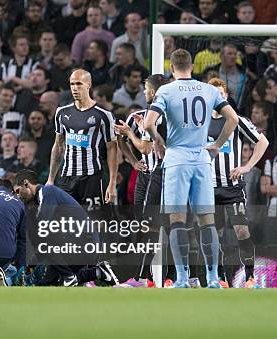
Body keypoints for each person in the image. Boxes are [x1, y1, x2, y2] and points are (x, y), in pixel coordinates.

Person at [143, 49, 240, 288]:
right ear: (192, 66)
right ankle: (213, 278)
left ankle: (183, 278)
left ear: (172, 69)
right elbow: (233, 119)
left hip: (177, 158)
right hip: (201, 159)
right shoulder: (208, 90)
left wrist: (157, 140)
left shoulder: (166, 90)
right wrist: (217, 145)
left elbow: (148, 123)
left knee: (177, 220)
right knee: (207, 221)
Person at [207, 78, 269, 288]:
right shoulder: (200, 121)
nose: (219, 97)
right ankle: (220, 278)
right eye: (214, 94)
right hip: (207, 186)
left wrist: (247, 166)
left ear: (226, 96)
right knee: (215, 234)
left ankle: (250, 277)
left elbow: (263, 141)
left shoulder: (237, 120)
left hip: (232, 186)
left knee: (242, 230)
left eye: (222, 94)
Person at [12, 169, 119, 286]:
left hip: (83, 244)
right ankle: (98, 272)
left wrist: (33, 261)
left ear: (26, 183)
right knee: (47, 279)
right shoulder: (41, 200)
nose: (17, 196)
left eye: (18, 191)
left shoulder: (47, 192)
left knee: (41, 234)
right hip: (80, 246)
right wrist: (31, 264)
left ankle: (69, 277)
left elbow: (44, 232)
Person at [114, 73, 169, 285]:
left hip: (161, 175)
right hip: (145, 176)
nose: (143, 91)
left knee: (154, 227)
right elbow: (119, 139)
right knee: (143, 227)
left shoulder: (159, 116)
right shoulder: (138, 115)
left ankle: (145, 277)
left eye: (146, 88)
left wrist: (130, 133)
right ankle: (147, 277)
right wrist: (132, 161)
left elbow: (144, 147)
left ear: (154, 92)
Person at [47, 69, 118, 212]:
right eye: (72, 84)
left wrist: (112, 182)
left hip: (91, 177)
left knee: (95, 222)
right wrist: (50, 178)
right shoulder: (62, 112)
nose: (74, 88)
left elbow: (112, 148)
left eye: (79, 84)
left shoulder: (103, 115)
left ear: (88, 85)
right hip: (67, 177)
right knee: (68, 224)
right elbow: (59, 146)